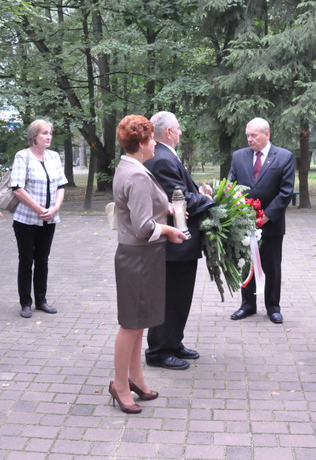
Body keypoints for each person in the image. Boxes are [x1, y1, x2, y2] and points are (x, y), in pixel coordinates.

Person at [109, 115, 188, 414]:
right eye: (151, 139)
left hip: (140, 257)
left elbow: (139, 210)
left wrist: (165, 207)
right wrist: (168, 229)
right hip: (139, 257)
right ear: (141, 144)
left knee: (139, 323)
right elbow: (143, 228)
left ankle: (136, 379)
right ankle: (120, 385)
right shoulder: (138, 175)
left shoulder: (129, 167)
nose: (155, 143)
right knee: (131, 325)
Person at [143, 112, 214, 371]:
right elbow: (178, 199)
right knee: (170, 298)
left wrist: (199, 191)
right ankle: (159, 351)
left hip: (179, 244)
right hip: (173, 244)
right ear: (169, 132)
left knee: (180, 298)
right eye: (178, 128)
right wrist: (208, 199)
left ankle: (173, 343)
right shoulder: (162, 158)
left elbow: (182, 189)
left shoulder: (165, 155)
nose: (181, 132)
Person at [228, 118, 295, 324]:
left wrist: (266, 216)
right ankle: (247, 305)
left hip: (271, 224)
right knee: (246, 265)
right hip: (244, 224)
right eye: (247, 135)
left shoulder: (284, 156)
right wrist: (238, 211)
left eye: (253, 135)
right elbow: (231, 185)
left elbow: (286, 191)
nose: (249, 139)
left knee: (272, 267)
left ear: (266, 134)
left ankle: (273, 307)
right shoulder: (239, 156)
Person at [9, 119, 67, 319]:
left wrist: (55, 208)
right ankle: (25, 302)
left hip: (49, 219)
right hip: (26, 219)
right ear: (34, 136)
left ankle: (41, 300)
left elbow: (61, 186)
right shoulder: (22, 156)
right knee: (26, 260)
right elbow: (17, 188)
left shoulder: (54, 157)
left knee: (42, 260)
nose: (48, 136)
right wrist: (39, 209)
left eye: (50, 133)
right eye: (44, 133)